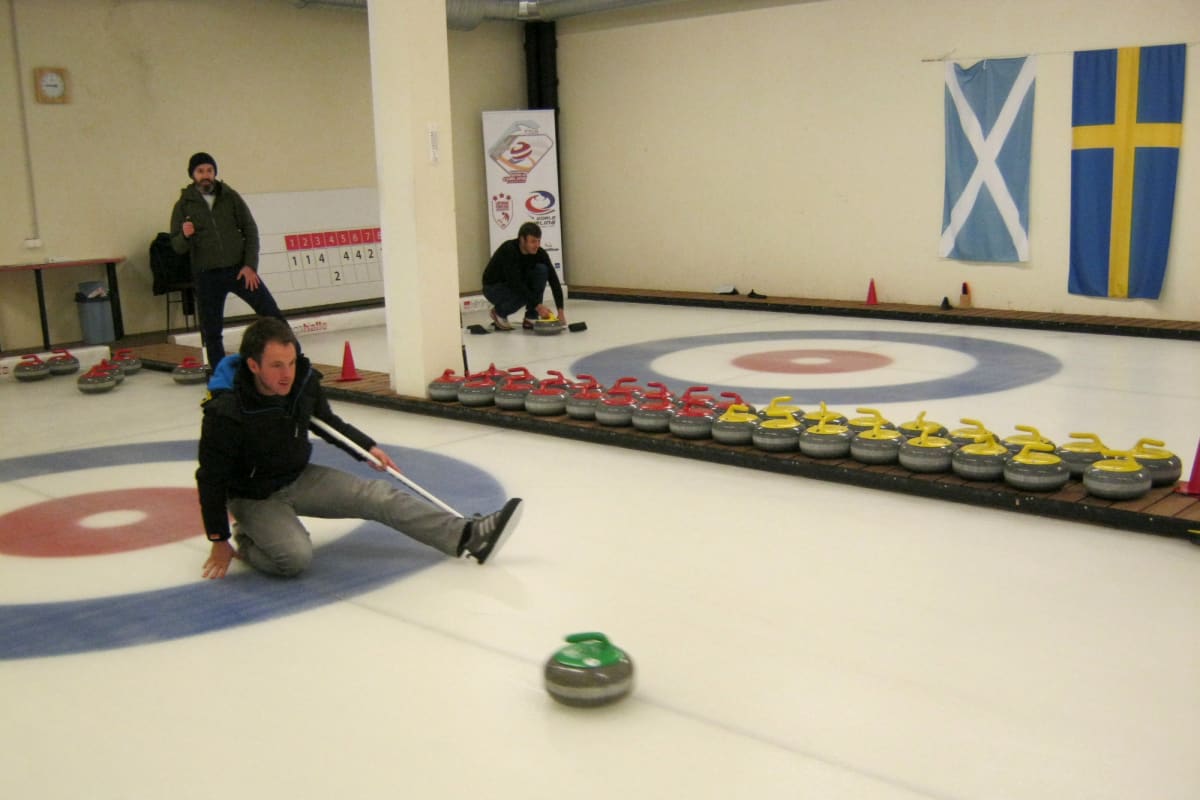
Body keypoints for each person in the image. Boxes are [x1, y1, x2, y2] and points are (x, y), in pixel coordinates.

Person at [196, 317, 522, 579]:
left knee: (378, 495)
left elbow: (326, 422)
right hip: (253, 495)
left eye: (291, 362)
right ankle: (248, 538)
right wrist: (218, 540)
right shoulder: (226, 411)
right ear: (253, 366)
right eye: (277, 366)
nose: (287, 375)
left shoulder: (301, 383)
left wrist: (367, 448)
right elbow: (209, 478)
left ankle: (466, 535)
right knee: (294, 559)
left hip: (297, 476)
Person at [170, 152, 287, 368]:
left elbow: (250, 230)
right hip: (207, 276)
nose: (206, 175)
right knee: (212, 331)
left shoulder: (230, 197)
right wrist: (185, 235)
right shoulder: (184, 205)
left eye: (209, 170)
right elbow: (177, 246)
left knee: (272, 315)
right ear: (192, 175)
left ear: (214, 172)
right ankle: (219, 374)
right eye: (200, 171)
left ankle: (296, 361)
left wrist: (250, 266)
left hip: (240, 271)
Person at [481, 221, 566, 331]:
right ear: (522, 240)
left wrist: (560, 311)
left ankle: (531, 317)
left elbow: (553, 280)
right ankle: (499, 312)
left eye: (538, 241)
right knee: (523, 292)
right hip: (493, 288)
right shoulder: (509, 250)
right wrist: (538, 306)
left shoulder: (540, 253)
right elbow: (515, 283)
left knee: (542, 270)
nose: (537, 245)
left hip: (514, 284)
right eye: (533, 241)